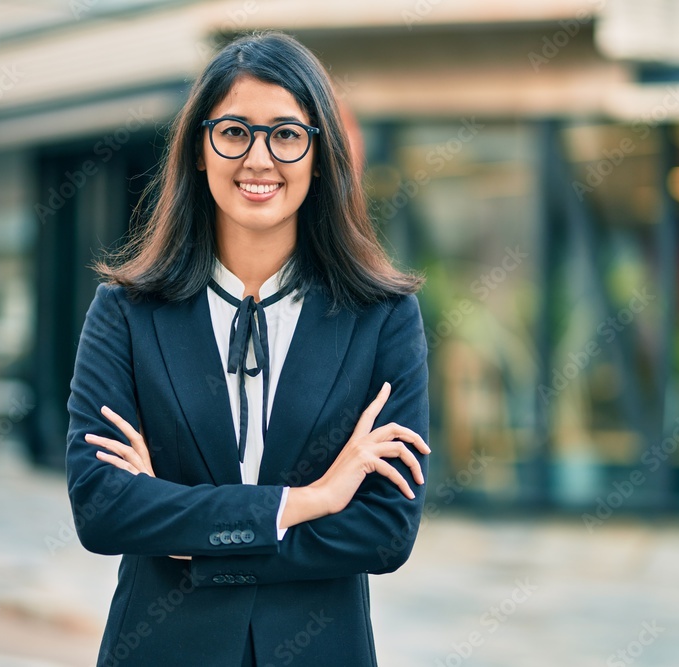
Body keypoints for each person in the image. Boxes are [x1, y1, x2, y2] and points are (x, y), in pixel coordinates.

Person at [65, 31, 431, 667]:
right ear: (200, 152)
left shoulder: (383, 318)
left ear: (320, 157)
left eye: (286, 134)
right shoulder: (124, 314)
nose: (259, 158)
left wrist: (182, 523)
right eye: (234, 131)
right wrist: (307, 502)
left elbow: (384, 530)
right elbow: (101, 509)